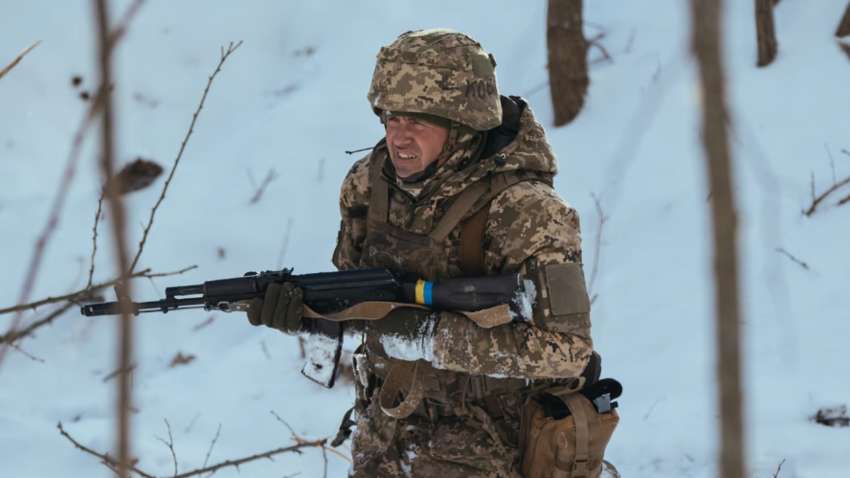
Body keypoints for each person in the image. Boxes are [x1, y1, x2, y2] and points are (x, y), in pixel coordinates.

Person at [249, 29, 615, 477]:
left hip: (493, 449)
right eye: (392, 118)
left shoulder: (526, 210)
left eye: (419, 121)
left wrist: (428, 338)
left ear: (462, 123)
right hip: (386, 435)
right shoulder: (368, 185)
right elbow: (360, 304)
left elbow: (568, 351)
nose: (399, 138)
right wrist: (302, 313)